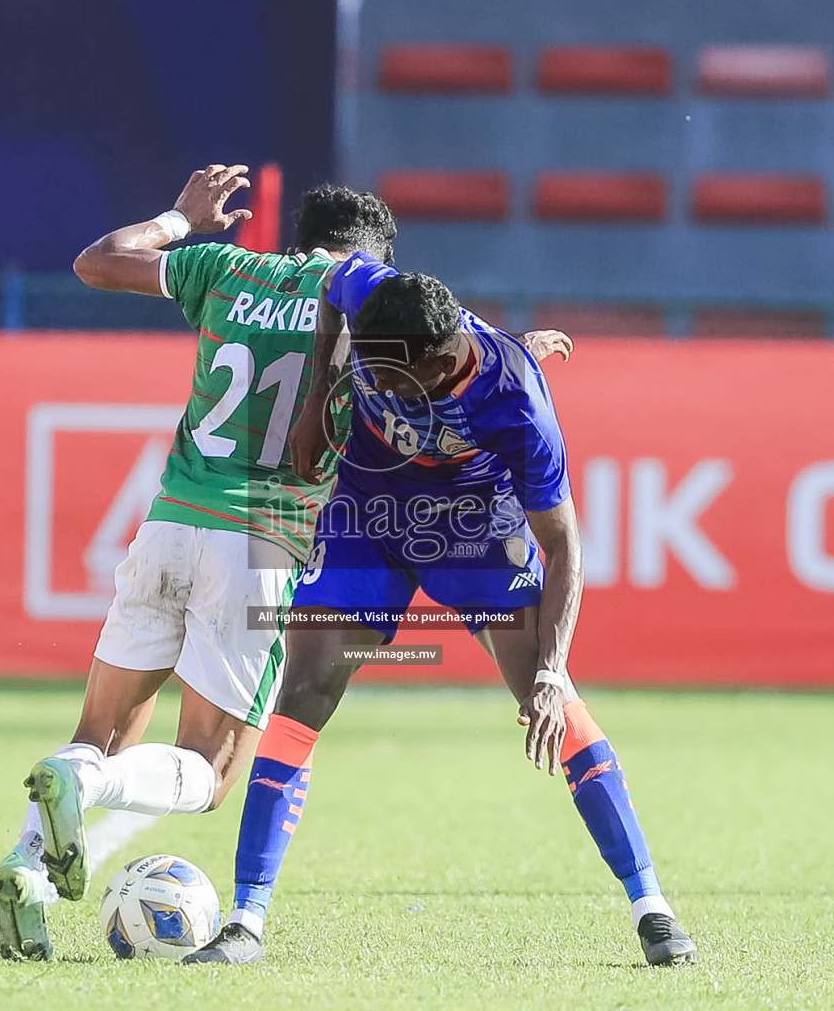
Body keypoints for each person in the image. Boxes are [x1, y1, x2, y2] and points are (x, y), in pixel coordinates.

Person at [0, 165, 572, 960]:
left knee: (100, 729)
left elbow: (98, 261)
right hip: (261, 544)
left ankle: (26, 864)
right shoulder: (372, 313)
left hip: (168, 522)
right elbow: (448, 369)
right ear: (369, 262)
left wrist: (176, 217)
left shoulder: (230, 269)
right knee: (212, 765)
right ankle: (86, 789)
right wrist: (519, 353)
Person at [183, 253, 697, 968]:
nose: (378, 386)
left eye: (390, 378)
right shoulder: (374, 297)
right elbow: (332, 288)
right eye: (370, 368)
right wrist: (320, 393)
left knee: (549, 702)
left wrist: (552, 672)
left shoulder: (516, 401)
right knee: (303, 691)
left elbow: (566, 548)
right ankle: (245, 921)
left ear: (441, 357)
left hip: (475, 528)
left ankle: (653, 908)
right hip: (366, 513)